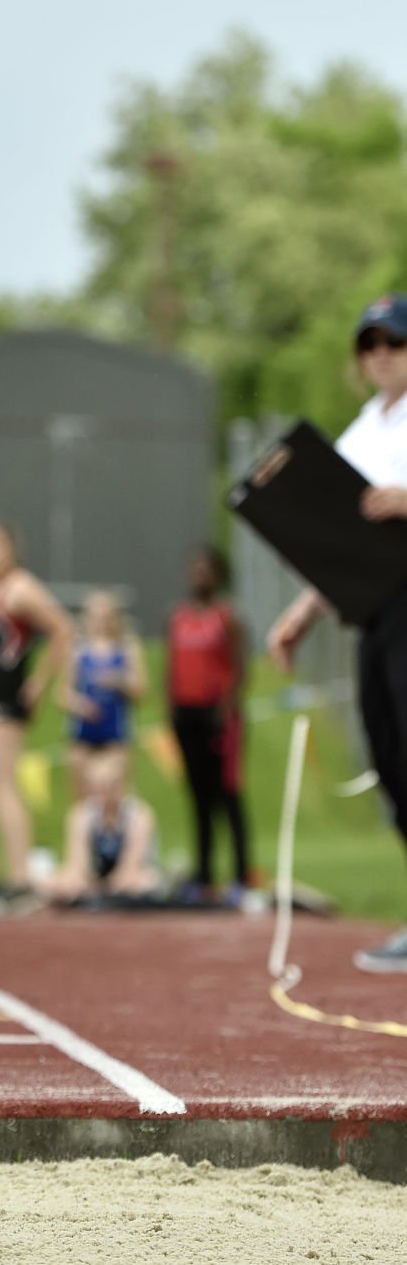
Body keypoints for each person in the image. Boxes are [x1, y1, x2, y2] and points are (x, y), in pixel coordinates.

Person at [268, 293, 407, 972]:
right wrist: (300, 613)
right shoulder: (360, 433)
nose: (382, 353)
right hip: (374, 610)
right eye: (370, 343)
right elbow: (341, 542)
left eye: (395, 341)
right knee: (389, 754)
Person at [0, 517, 74, 909]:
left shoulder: (20, 588)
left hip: (8, 696)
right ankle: (14, 872)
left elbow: (63, 630)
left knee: (3, 786)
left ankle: (20, 879)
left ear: (10, 547)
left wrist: (41, 683)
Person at [167, 545, 251, 905]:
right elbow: (172, 668)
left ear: (217, 574)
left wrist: (227, 707)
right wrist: (170, 708)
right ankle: (203, 874)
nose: (198, 574)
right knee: (198, 796)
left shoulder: (227, 617)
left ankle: (241, 874)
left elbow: (240, 666)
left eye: (205, 568)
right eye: (193, 567)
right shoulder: (179, 617)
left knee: (227, 794)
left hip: (218, 715)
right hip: (186, 715)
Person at [41, 747, 162, 905]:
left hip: (132, 875)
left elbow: (131, 867)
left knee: (142, 884)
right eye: (98, 787)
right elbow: (77, 864)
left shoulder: (139, 815)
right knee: (54, 882)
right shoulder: (81, 814)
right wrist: (79, 882)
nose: (103, 793)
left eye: (109, 786)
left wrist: (105, 887)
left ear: (120, 784)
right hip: (97, 878)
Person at [68, 589, 148, 802]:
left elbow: (142, 691)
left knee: (117, 795)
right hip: (83, 734)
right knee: (83, 799)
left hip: (116, 733)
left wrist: (119, 681)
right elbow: (63, 693)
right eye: (95, 616)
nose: (100, 622)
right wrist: (80, 705)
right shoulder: (78, 649)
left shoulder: (126, 647)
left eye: (105, 616)